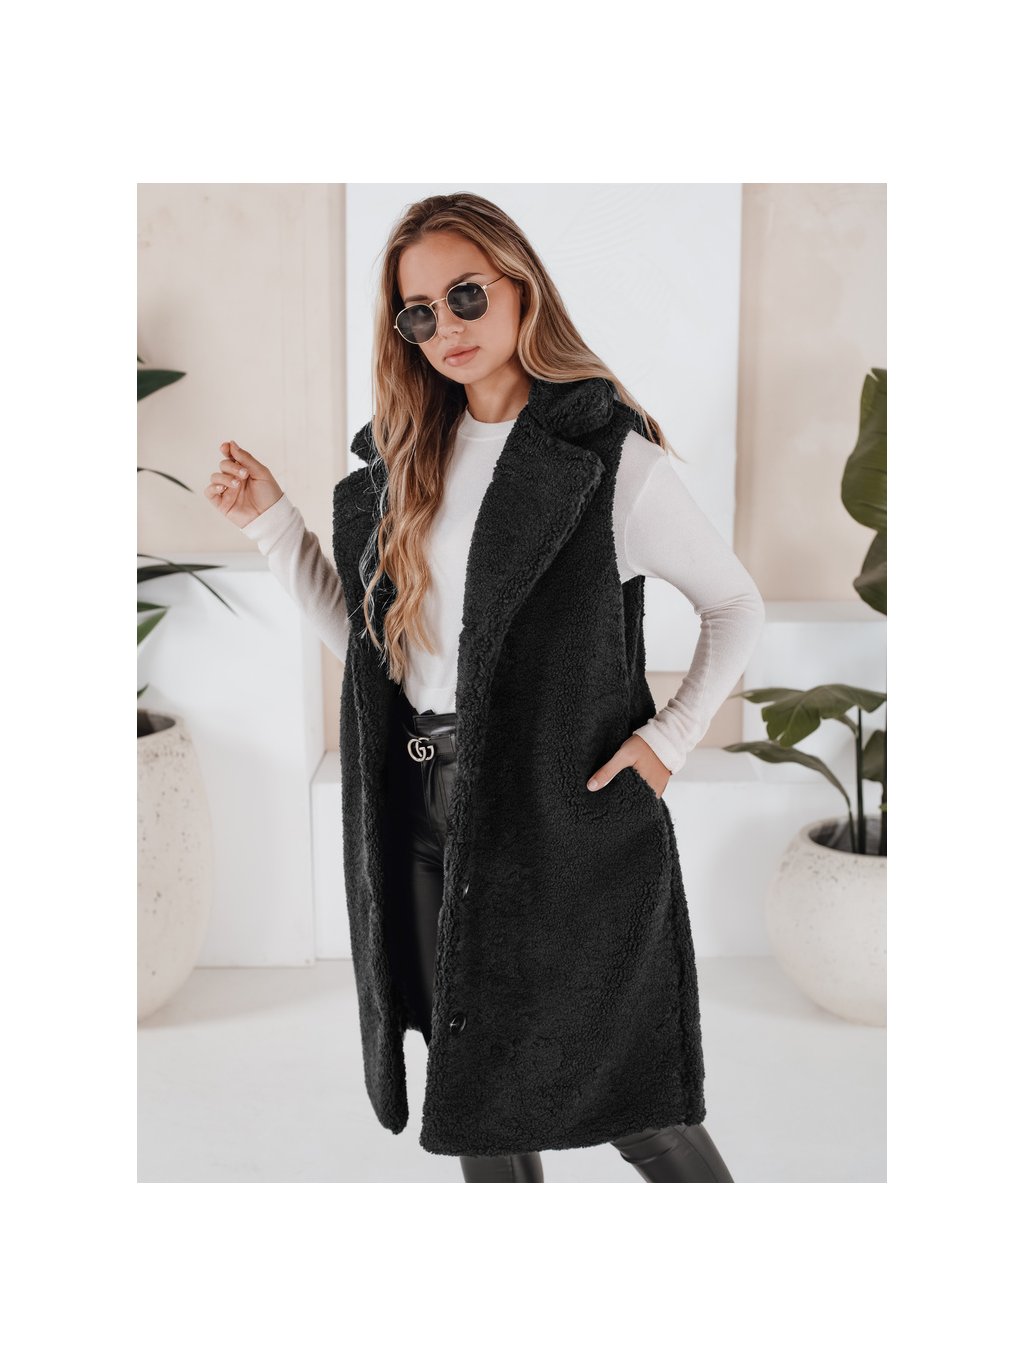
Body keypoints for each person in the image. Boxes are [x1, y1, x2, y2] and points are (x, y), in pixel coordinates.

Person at [206, 192, 765, 1182]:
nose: (446, 328)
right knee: (477, 1095)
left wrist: (667, 741)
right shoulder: (406, 461)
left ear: (520, 287)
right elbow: (377, 652)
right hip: (424, 807)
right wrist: (273, 524)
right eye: (418, 314)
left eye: (465, 296)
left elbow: (734, 604)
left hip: (559, 817)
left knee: (630, 1093)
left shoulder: (607, 460)